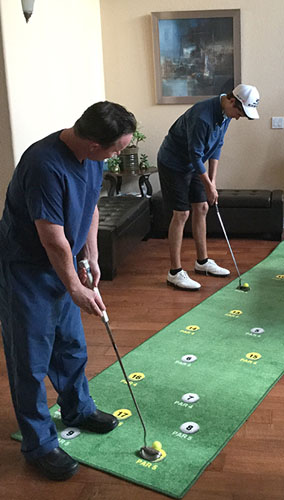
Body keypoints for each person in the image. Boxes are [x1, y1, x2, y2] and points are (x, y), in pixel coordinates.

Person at [0, 101, 136, 480]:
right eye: (117, 149)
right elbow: (53, 239)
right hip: (25, 270)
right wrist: (74, 286)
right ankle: (39, 444)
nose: (119, 154)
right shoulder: (44, 164)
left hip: (59, 262)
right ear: (94, 143)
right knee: (30, 359)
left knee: (70, 344)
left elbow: (91, 207)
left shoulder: (93, 157)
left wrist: (90, 256)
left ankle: (77, 409)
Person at [157, 84, 260, 290]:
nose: (239, 117)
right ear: (232, 100)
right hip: (174, 163)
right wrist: (208, 185)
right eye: (240, 111)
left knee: (202, 207)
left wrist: (212, 182)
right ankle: (174, 272)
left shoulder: (226, 114)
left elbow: (217, 145)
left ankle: (202, 262)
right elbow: (195, 154)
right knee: (181, 214)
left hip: (193, 164)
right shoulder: (202, 117)